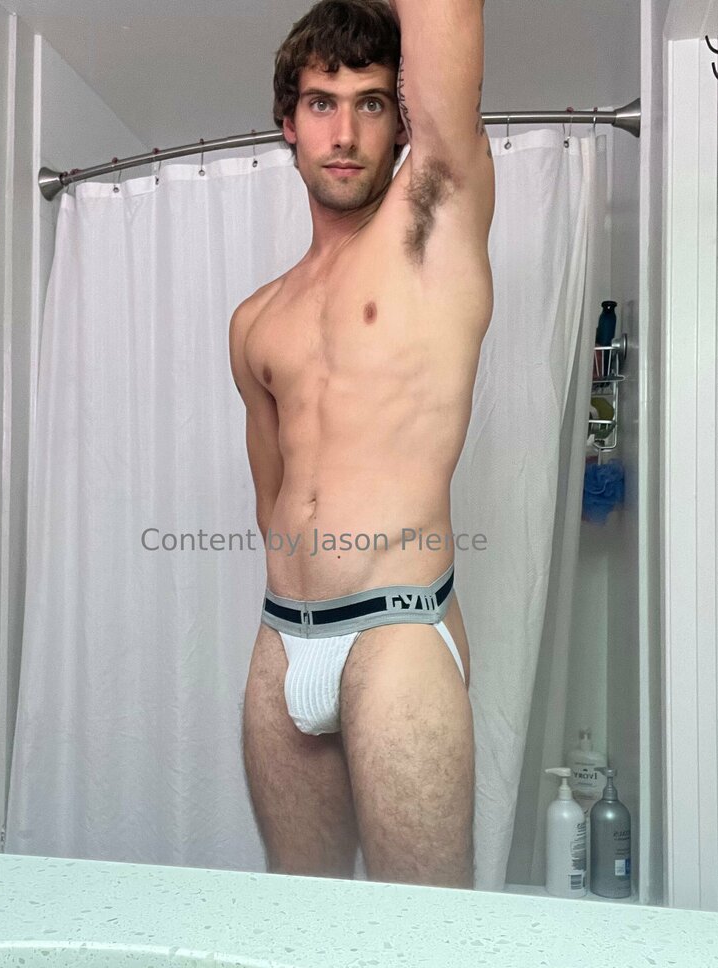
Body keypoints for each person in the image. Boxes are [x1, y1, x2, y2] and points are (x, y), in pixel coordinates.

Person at [229, 0, 494, 887]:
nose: (344, 133)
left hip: (396, 633)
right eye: (321, 103)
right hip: (282, 640)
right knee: (298, 921)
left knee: (424, 935)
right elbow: (272, 499)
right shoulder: (256, 320)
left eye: (371, 103)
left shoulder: (432, 226)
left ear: (404, 121)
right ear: (288, 123)